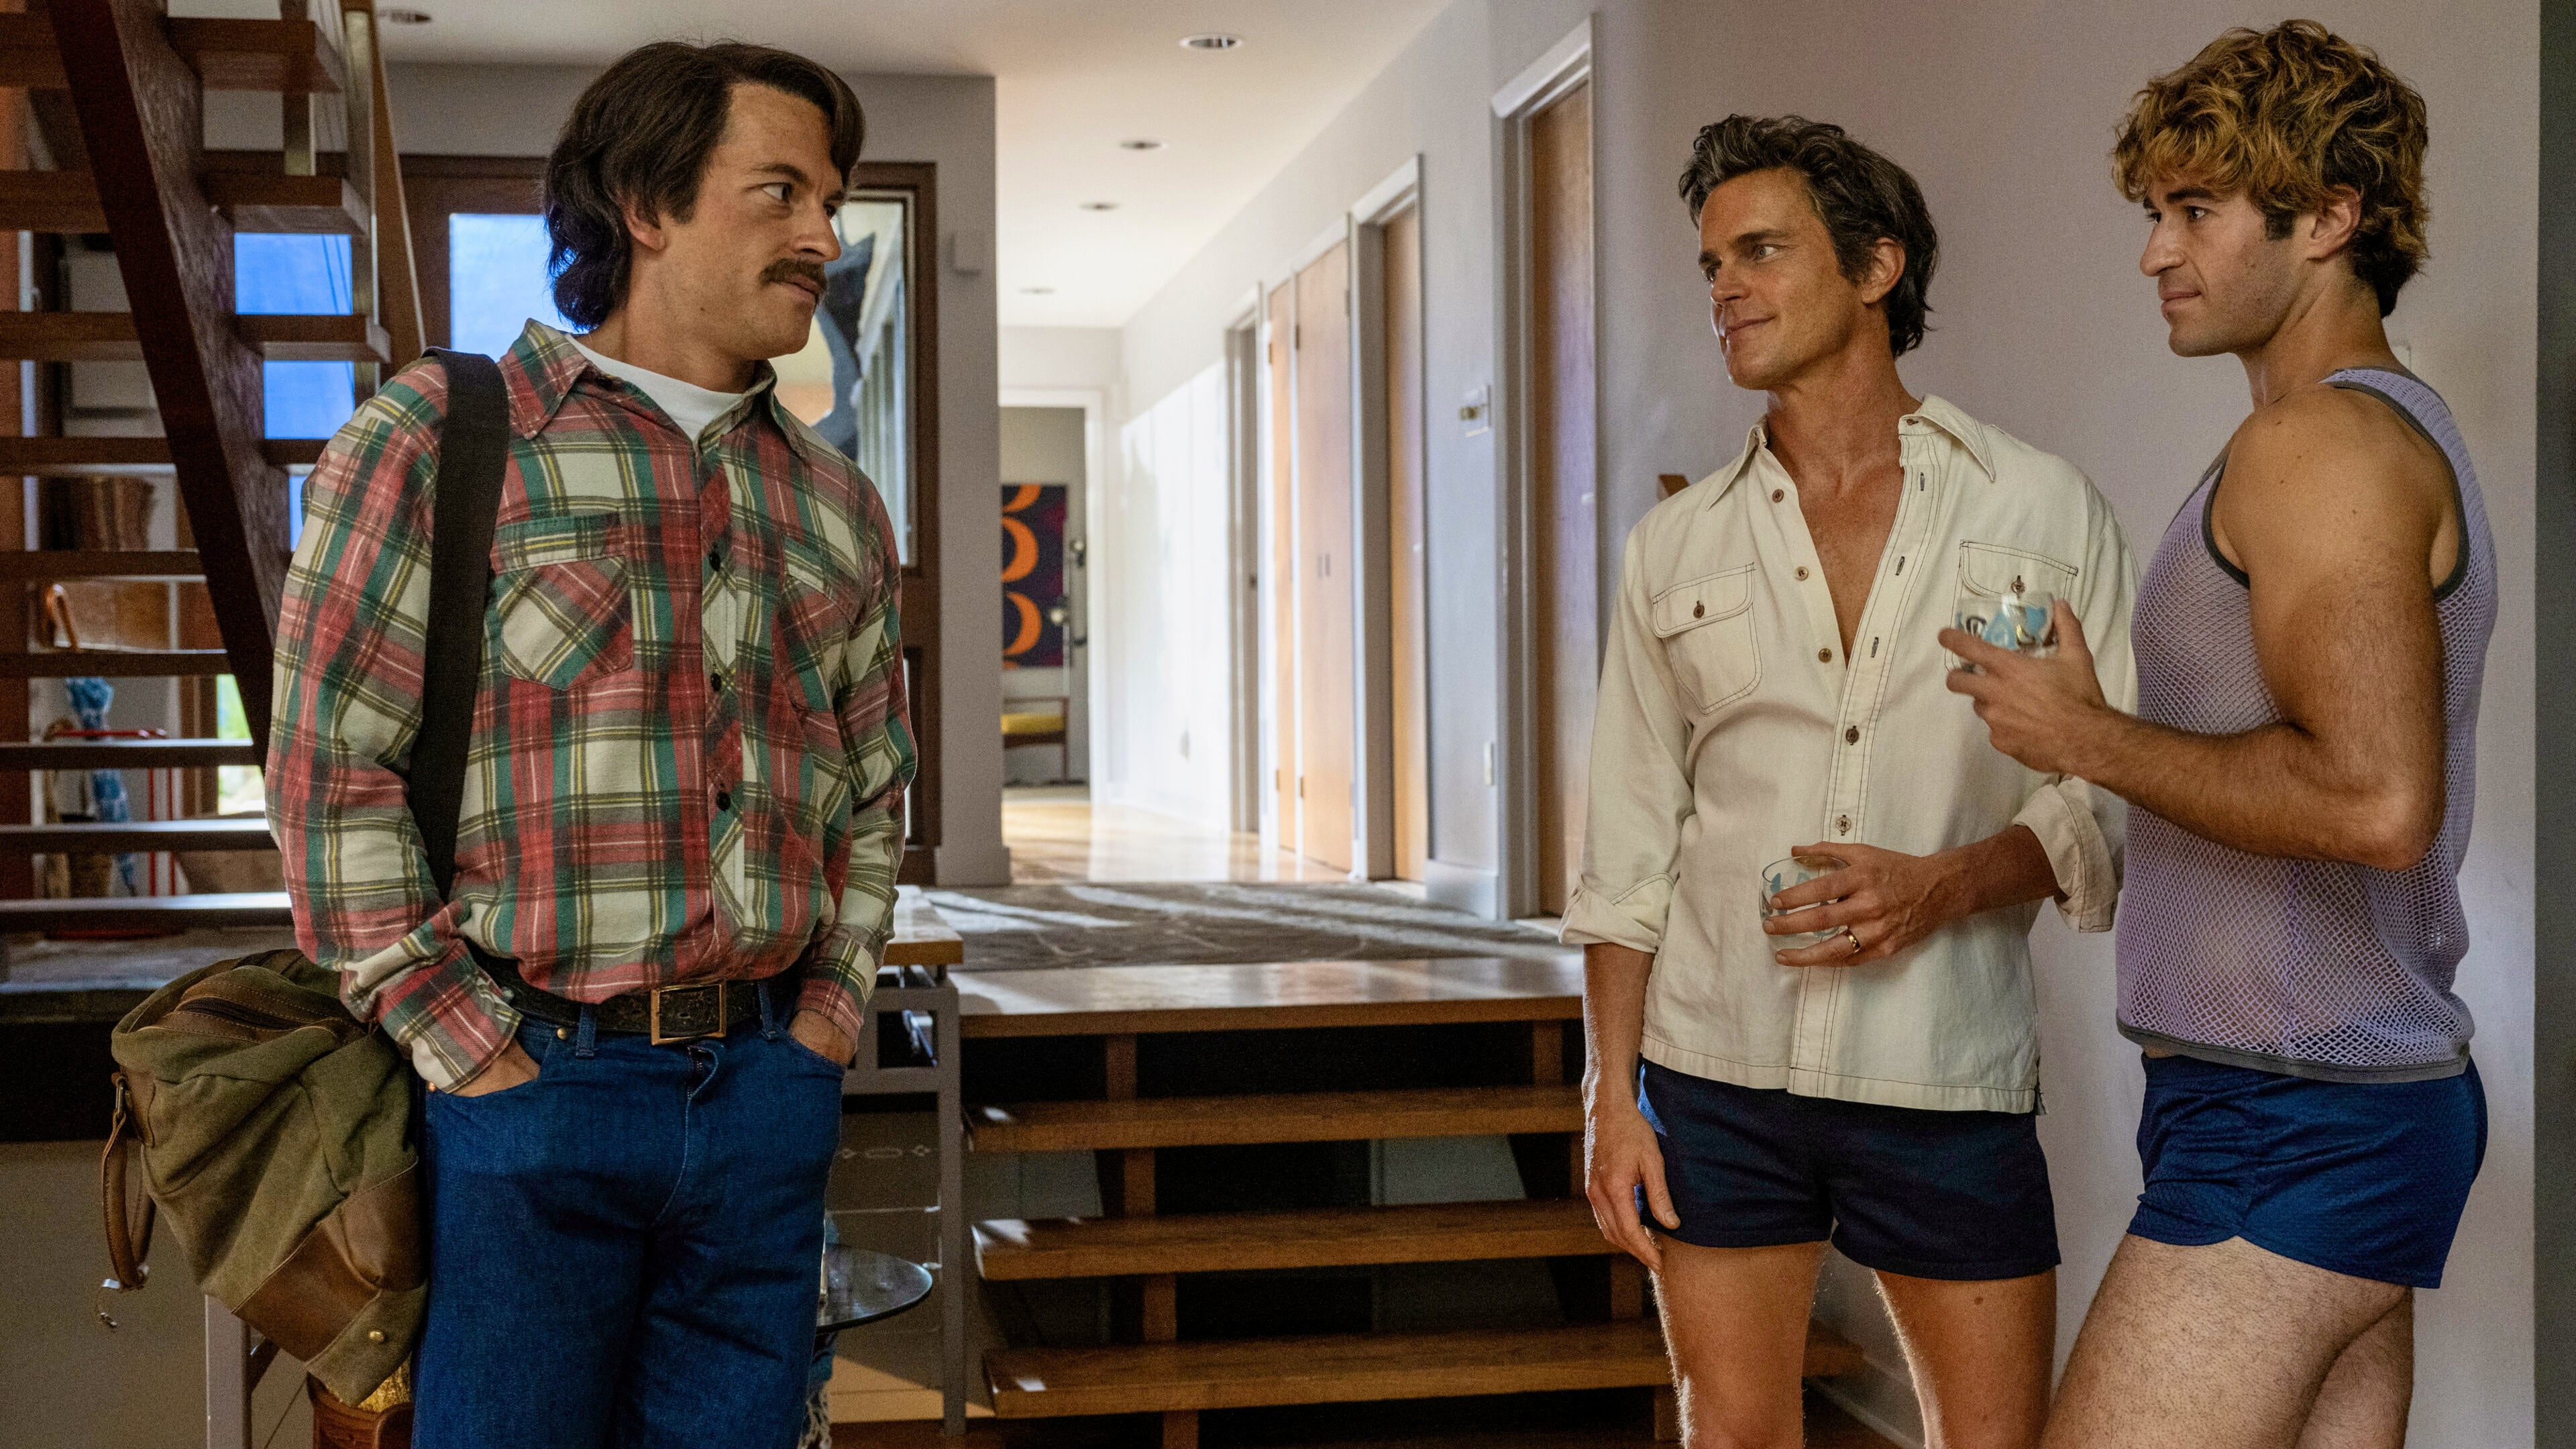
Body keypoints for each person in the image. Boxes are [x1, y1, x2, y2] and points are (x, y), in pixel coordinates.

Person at [267, 41, 913, 1449]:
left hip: (767, 1093)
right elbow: (330, 775)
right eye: (782, 192)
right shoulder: (439, 439)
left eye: (833, 200)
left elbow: (874, 794)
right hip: (529, 1085)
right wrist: (470, 1054)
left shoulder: (838, 504)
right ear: (647, 205)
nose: (824, 235)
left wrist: (826, 1019)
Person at [1946, 22, 2493, 1449]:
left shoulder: (2319, 445)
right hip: (2326, 1098)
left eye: (2197, 211)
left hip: (2294, 1115)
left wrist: (2088, 737)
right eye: (2155, 213)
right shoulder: (2365, 431)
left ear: (2332, 216)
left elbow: (2375, 801)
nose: (2156, 253)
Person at [1567, 115, 2137, 1449]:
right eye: (1712, 262)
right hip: (1713, 1072)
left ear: (1877, 268)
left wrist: (1948, 885)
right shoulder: (1672, 547)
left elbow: (2103, 796)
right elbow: (1629, 849)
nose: (1723, 286)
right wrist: (1609, 1097)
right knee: (1734, 1434)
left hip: (1944, 1072)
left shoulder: (2042, 510)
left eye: (1761, 251)